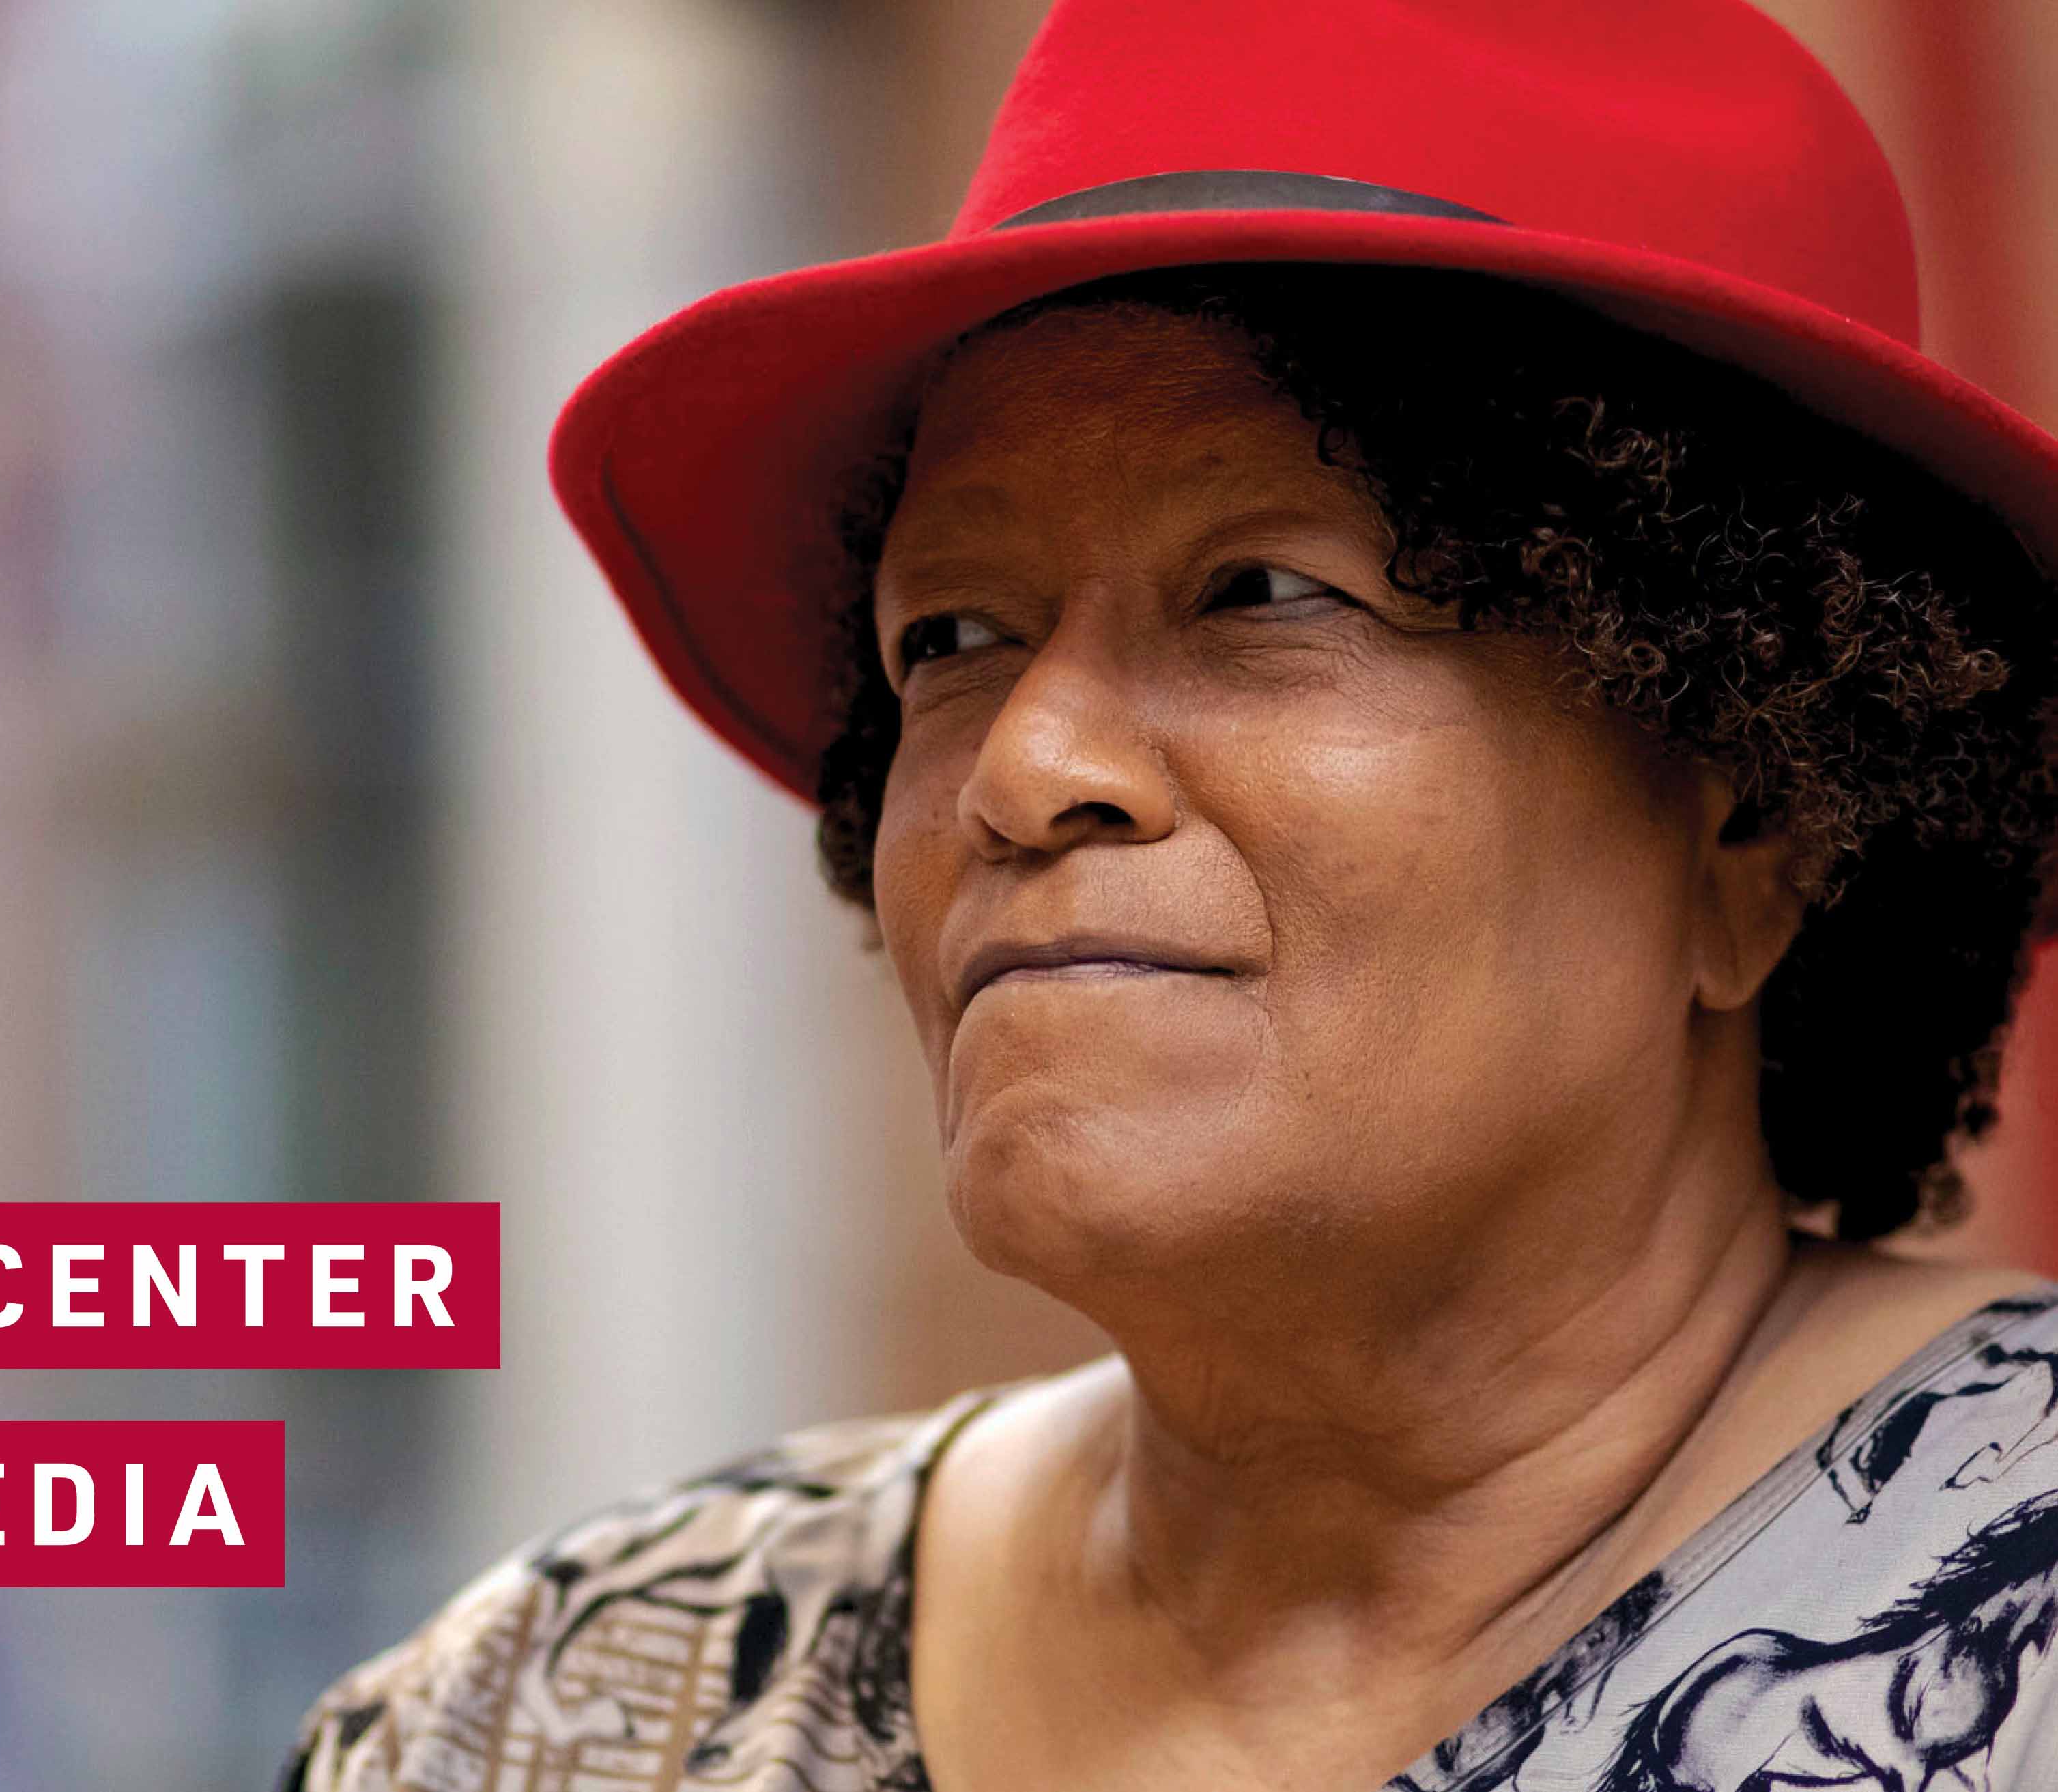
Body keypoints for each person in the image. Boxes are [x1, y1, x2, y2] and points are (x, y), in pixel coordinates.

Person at [288, 1, 2058, 1787]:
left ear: (1757, 811)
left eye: (1264, 593)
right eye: (954, 637)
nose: (1023, 764)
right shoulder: (552, 1712)